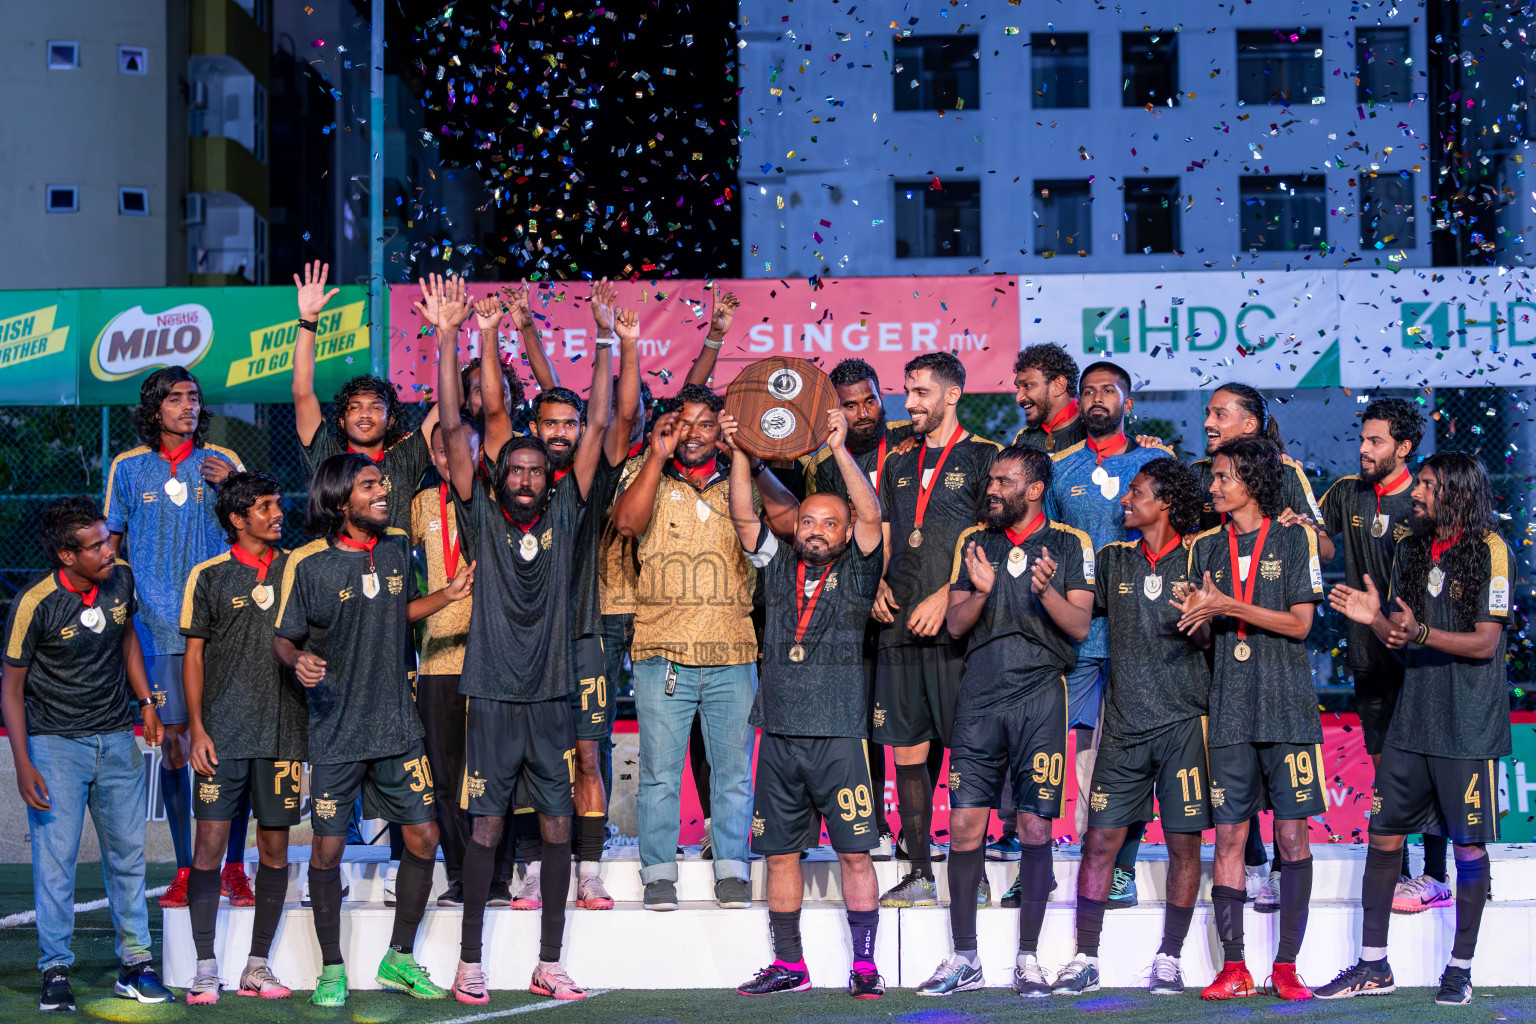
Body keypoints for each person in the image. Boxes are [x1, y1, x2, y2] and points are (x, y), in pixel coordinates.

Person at [432, 280, 622, 1003]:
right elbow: (459, 428)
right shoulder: (479, 511)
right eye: (512, 469)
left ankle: (548, 962)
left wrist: (605, 341)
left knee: (556, 827)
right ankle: (470, 960)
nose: (522, 478)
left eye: (534, 471)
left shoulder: (568, 511)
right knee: (485, 832)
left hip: (552, 697)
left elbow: (598, 426)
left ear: (550, 480)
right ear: (498, 477)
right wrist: (460, 337)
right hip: (492, 695)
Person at [273, 453, 472, 1005]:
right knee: (326, 854)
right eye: (369, 486)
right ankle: (331, 969)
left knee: (423, 837)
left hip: (396, 727)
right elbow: (284, 636)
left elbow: (397, 609)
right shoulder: (310, 565)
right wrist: (297, 661)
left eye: (380, 483)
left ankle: (399, 958)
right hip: (336, 731)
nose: (382, 492)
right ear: (341, 501)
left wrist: (446, 596)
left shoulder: (393, 550)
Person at [1319, 452, 1512, 1005]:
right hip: (1412, 722)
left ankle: (1460, 968)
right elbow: (1401, 637)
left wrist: (1419, 630)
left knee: (1469, 850)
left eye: (1428, 486)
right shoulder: (1412, 547)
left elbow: (1484, 642)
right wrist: (1374, 618)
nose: (1419, 494)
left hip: (1467, 729)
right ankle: (1373, 966)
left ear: (1458, 492)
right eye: (1420, 483)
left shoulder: (1491, 550)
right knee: (1382, 840)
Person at [610, 374, 799, 911]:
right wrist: (655, 453)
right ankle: (659, 872)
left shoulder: (741, 478)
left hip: (733, 651)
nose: (693, 432)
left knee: (734, 772)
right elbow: (626, 523)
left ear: (723, 429)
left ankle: (732, 869)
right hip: (660, 650)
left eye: (706, 423)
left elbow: (788, 523)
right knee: (659, 774)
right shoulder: (648, 474)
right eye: (683, 422)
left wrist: (750, 458)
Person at [915, 445, 1093, 996]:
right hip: (980, 699)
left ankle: (1028, 957)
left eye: (1003, 481)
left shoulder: (1069, 543)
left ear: (1034, 489)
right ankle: (964, 958)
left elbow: (1081, 626)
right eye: (990, 480)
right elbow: (956, 624)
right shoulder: (974, 543)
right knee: (966, 826)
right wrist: (982, 592)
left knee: (1037, 826)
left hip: (1041, 695)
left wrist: (1046, 594)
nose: (991, 489)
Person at [729, 406, 888, 999]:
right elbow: (746, 517)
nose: (816, 530)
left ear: (845, 535)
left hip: (839, 736)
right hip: (779, 734)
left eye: (829, 524)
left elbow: (870, 513)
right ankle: (790, 965)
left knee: (853, 855)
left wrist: (839, 449)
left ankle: (866, 966)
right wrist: (742, 451)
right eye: (809, 522)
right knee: (780, 856)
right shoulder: (776, 567)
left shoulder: (860, 568)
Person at [1048, 459, 1211, 996]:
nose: (1125, 499)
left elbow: (1211, 640)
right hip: (1121, 727)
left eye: (1136, 491)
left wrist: (1202, 622)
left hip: (1185, 722)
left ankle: (1170, 957)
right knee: (1098, 843)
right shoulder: (1114, 559)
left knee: (1185, 846)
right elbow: (1077, 615)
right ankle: (1085, 956)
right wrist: (1046, 590)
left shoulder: (1200, 554)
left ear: (1163, 502)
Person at [3, 497, 174, 1010]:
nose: (108, 549)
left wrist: (145, 703)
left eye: (106, 538)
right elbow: (10, 688)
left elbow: (126, 640)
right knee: (55, 866)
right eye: (95, 545)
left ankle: (136, 965)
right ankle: (55, 972)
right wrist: (22, 761)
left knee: (128, 859)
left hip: (118, 740)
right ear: (65, 556)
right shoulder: (35, 603)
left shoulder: (119, 577)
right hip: (55, 747)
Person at [1176, 437, 1324, 1002]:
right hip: (1231, 708)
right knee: (1231, 837)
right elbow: (1210, 628)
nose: (1212, 487)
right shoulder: (1205, 547)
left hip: (1287, 708)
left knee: (1291, 836)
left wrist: (1229, 607)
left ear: (1252, 483)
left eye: (1221, 477)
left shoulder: (1294, 537)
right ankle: (1234, 967)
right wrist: (1197, 618)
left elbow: (1300, 624)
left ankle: (1286, 966)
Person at [104, 366, 248, 909]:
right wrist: (121, 616)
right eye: (177, 398)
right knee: (175, 751)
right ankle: (188, 868)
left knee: (231, 749)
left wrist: (228, 489)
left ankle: (233, 867)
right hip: (156, 628)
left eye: (194, 397)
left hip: (220, 628)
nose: (189, 405)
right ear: (155, 408)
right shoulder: (128, 467)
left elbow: (252, 525)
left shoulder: (222, 464)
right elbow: (110, 549)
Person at [1191, 382, 1331, 908]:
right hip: (1228, 676)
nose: (1208, 421)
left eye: (1219, 413)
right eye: (1207, 412)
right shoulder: (1205, 504)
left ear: (1249, 425)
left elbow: (1323, 544)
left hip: (1280, 679)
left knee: (1292, 826)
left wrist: (1299, 529)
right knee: (1231, 820)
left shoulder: (1286, 481)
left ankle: (1284, 939)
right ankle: (1249, 875)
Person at [1041, 360, 1174, 909]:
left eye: (1109, 391)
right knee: (1067, 751)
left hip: (1141, 634)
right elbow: (1044, 543)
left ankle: (1122, 866)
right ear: (1078, 400)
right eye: (1089, 391)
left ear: (1128, 401)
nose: (1098, 399)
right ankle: (1052, 858)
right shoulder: (1060, 468)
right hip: (1080, 637)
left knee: (1131, 751)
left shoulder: (1155, 462)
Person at [873, 352, 1000, 909]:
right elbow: (885, 530)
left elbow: (993, 540)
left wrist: (948, 593)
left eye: (922, 392)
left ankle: (974, 872)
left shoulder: (984, 457)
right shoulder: (897, 461)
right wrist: (880, 584)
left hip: (956, 629)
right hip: (898, 628)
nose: (911, 402)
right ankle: (921, 871)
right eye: (908, 391)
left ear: (952, 395)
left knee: (965, 750)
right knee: (907, 751)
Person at [180, 473, 308, 1003]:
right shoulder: (208, 575)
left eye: (277, 503)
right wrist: (198, 729)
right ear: (238, 518)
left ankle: (257, 966)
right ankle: (205, 967)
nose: (277, 512)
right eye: (264, 506)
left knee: (274, 851)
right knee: (208, 849)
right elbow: (193, 656)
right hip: (224, 736)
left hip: (284, 734)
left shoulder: (299, 567)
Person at [1318, 397, 1449, 912]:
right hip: (1369, 656)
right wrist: (1306, 532)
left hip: (1420, 658)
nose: (1364, 449)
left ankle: (1437, 872)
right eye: (1363, 439)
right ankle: (1407, 873)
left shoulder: (1422, 503)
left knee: (1428, 763)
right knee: (1383, 765)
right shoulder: (1349, 492)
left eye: (1376, 442)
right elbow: (1326, 544)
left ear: (1405, 447)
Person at [802, 357, 917, 857]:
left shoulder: (910, 443)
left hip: (908, 602)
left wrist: (886, 582)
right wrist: (865, 588)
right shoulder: (823, 462)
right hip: (850, 607)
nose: (864, 411)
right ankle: (867, 821)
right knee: (856, 718)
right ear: (835, 411)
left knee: (909, 722)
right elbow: (823, 535)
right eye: (851, 405)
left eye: (870, 399)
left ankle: (914, 830)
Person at [291, 260, 436, 531]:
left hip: (392, 570)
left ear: (391, 419)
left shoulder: (404, 459)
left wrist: (445, 332)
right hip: (332, 572)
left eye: (375, 407)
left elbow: (448, 410)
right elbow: (302, 391)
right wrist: (309, 321)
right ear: (342, 420)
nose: (365, 413)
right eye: (355, 407)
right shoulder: (326, 455)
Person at [1011, 344, 1087, 452]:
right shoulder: (1023, 438)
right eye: (1018, 388)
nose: (1018, 398)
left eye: (1028, 385)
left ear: (1058, 386)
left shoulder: (1094, 433)